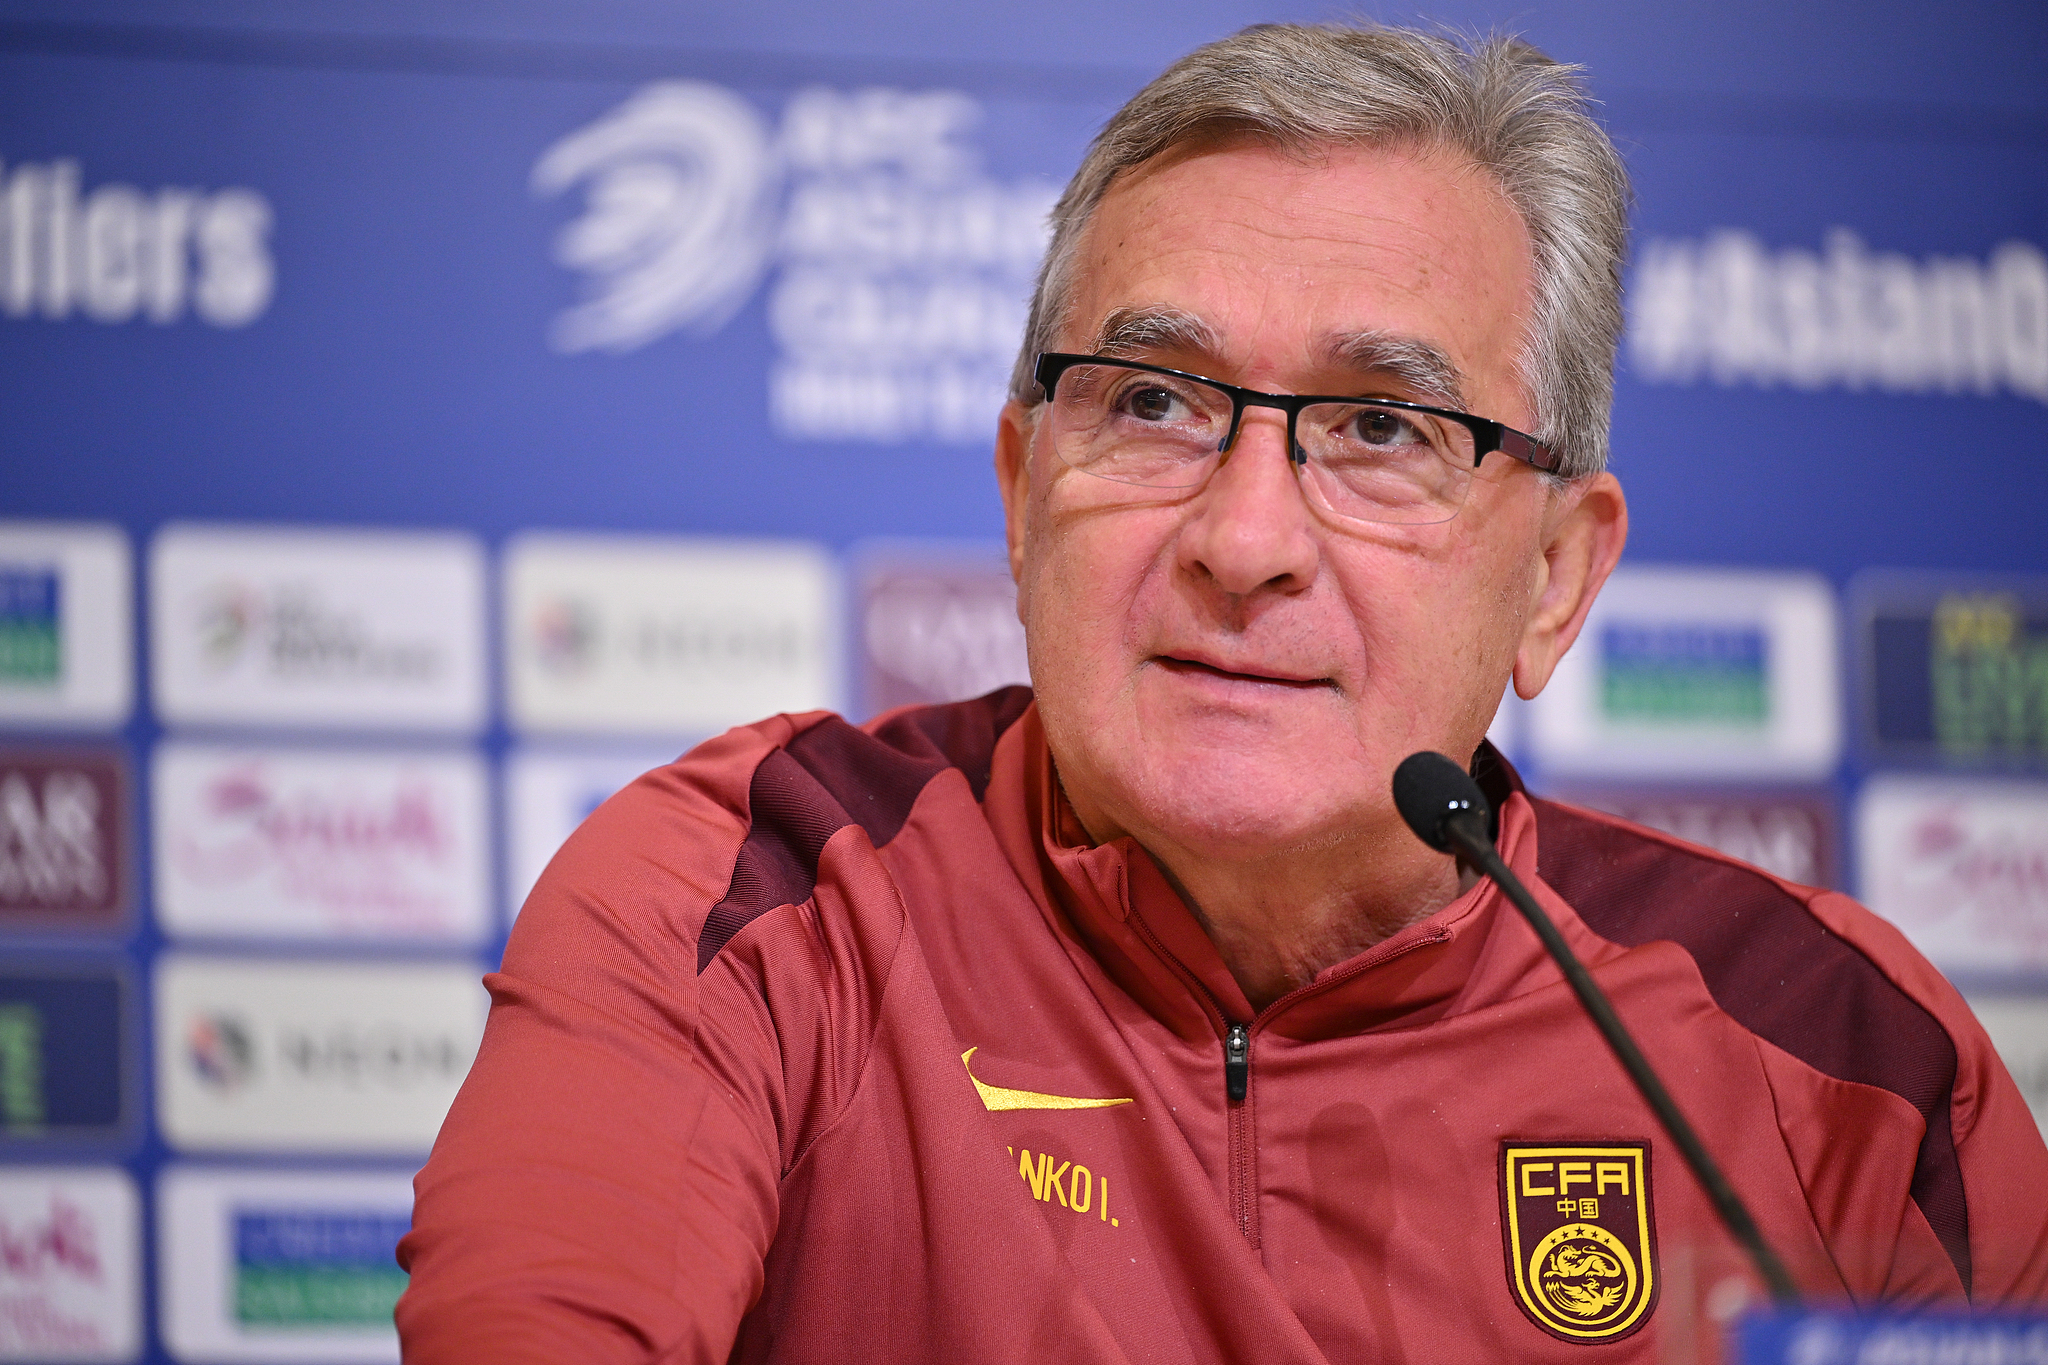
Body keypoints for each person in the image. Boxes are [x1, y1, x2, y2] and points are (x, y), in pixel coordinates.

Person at [396, 23, 2048, 1363]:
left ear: (1553, 577)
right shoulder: (765, 888)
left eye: (1383, 428)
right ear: (1023, 484)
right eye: (1154, 401)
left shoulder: (1839, 1053)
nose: (1244, 538)